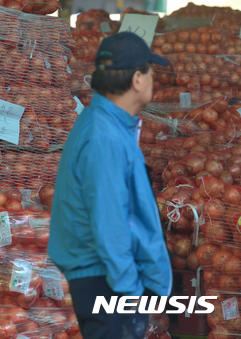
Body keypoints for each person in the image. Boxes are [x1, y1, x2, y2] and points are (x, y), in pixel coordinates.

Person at [48, 32, 173, 339]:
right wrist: (131, 292)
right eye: (150, 72)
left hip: (107, 279)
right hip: (108, 282)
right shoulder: (104, 136)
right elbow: (110, 221)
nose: (153, 79)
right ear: (138, 80)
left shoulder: (106, 125)